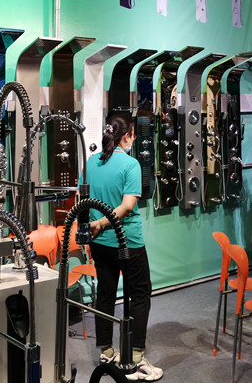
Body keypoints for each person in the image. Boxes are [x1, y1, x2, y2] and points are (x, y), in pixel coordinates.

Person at [87, 114, 163, 381]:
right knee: (140, 294)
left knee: (105, 294)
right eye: (133, 134)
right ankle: (136, 360)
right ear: (127, 136)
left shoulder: (91, 162)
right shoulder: (131, 164)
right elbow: (127, 205)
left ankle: (106, 352)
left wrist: (96, 225)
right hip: (126, 241)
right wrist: (103, 223)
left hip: (99, 243)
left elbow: (85, 197)